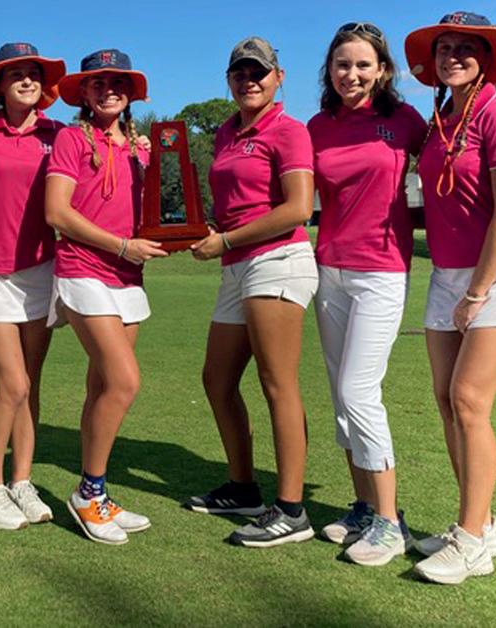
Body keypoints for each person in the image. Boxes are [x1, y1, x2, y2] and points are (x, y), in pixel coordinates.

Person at [404, 12, 496, 584]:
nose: (454, 56)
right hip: (447, 275)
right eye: (445, 48)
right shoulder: (441, 119)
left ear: (486, 59)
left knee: (469, 400)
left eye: (467, 48)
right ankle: (479, 523)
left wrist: (478, 292)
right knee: (446, 401)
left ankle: (470, 543)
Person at [187, 37, 318, 549]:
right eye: (240, 72)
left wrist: (226, 239)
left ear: (278, 77)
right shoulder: (225, 132)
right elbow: (233, 205)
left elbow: (297, 208)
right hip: (237, 263)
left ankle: (291, 509)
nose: (250, 80)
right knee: (217, 379)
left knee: (276, 383)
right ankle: (243, 488)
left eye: (259, 72)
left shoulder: (289, 130)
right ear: (229, 79)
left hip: (278, 259)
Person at [307, 23, 427, 566]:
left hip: (381, 271)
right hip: (329, 269)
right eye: (341, 64)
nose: (351, 73)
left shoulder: (405, 122)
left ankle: (389, 520)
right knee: (340, 398)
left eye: (362, 64)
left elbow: (449, 164)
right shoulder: (316, 126)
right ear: (329, 71)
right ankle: (362, 505)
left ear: (382, 70)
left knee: (360, 391)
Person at [45, 49, 167, 545]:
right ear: (85, 92)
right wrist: (121, 244)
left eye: (118, 82)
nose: (109, 89)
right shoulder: (73, 138)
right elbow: (57, 213)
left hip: (128, 278)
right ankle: (87, 492)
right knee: (124, 382)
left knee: (101, 389)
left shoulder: (140, 148)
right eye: (98, 83)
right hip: (83, 270)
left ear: (131, 91)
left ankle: (96, 493)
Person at [0, 43, 66, 530]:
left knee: (32, 385)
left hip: (43, 269)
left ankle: (21, 479)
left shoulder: (59, 134)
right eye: (16, 75)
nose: (27, 81)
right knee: (13, 383)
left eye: (33, 74)